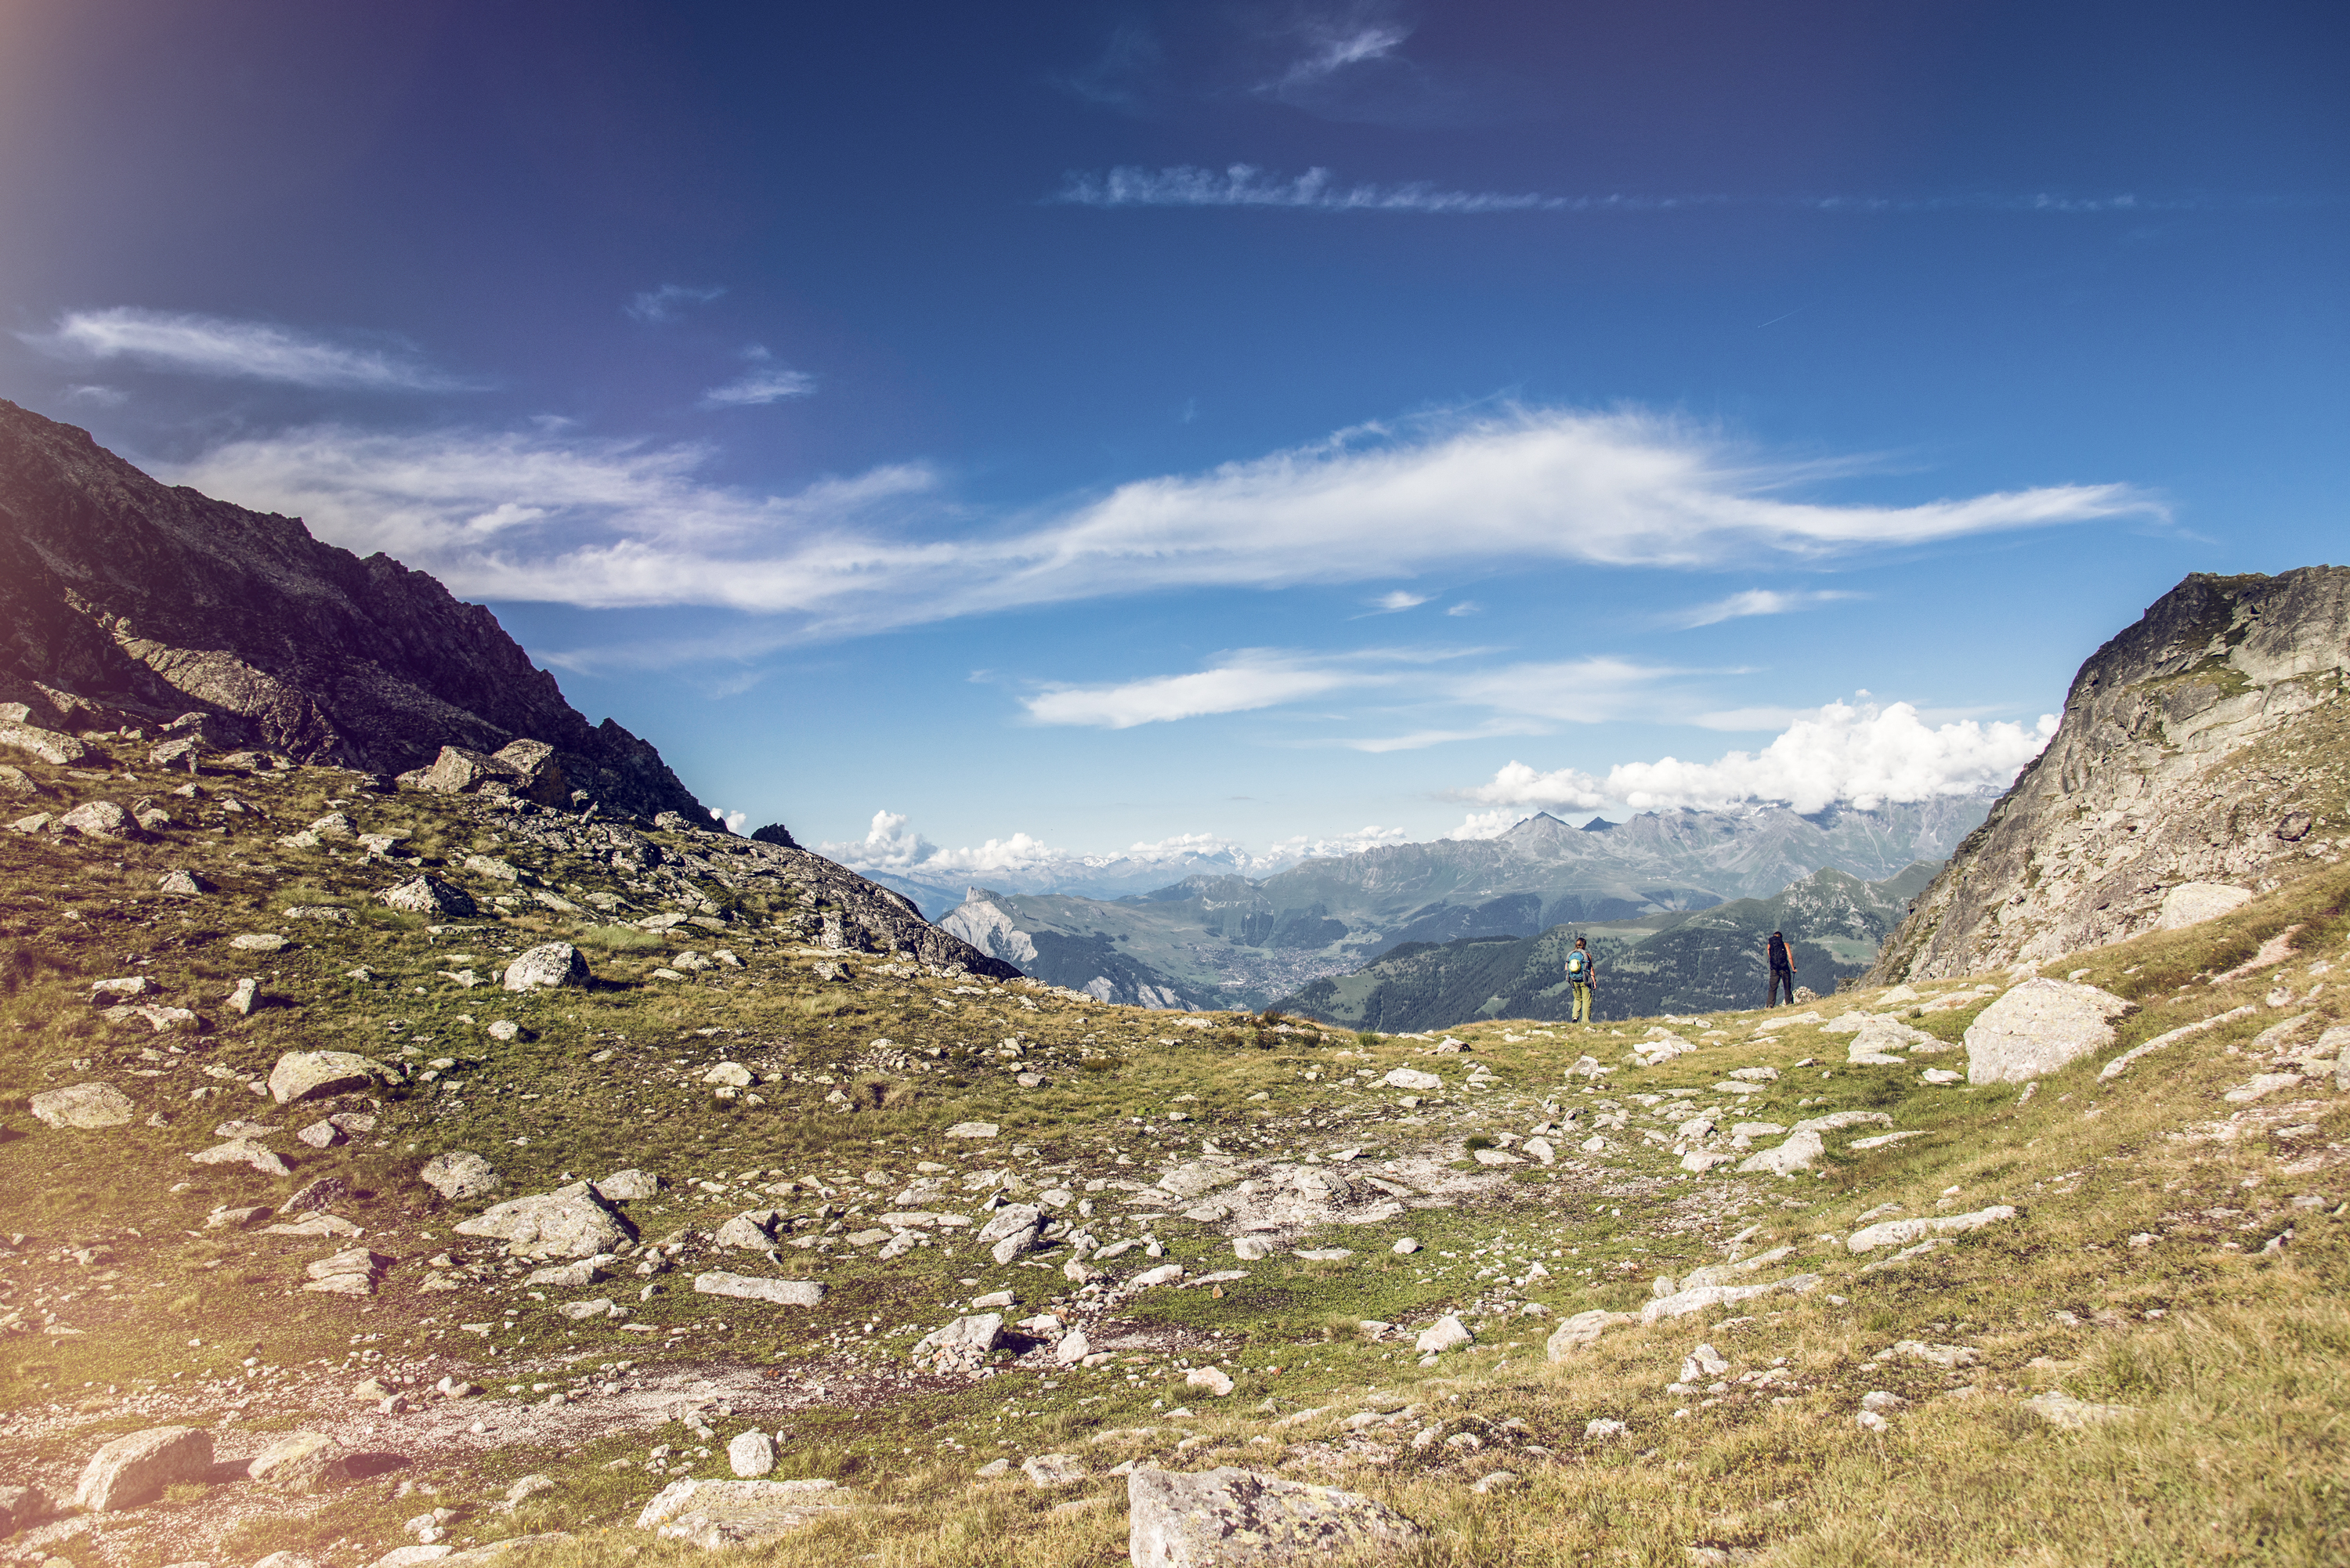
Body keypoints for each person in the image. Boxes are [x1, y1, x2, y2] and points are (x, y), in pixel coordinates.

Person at [1564, 934, 1596, 1023]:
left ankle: (1575, 1017)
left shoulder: (1571, 955)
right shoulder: (1586, 955)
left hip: (1574, 980)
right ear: (1584, 945)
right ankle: (1585, 1021)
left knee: (1577, 999)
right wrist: (1594, 981)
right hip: (1584, 980)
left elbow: (1566, 968)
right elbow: (1591, 969)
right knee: (1586, 1000)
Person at [1766, 930, 1797, 1007]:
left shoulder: (1769, 945)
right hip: (1784, 968)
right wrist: (1793, 968)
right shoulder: (1785, 945)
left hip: (1774, 968)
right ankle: (1789, 1003)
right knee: (1787, 986)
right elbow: (1790, 957)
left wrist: (1774, 963)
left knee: (1773, 988)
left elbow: (1770, 955)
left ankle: (1770, 1005)